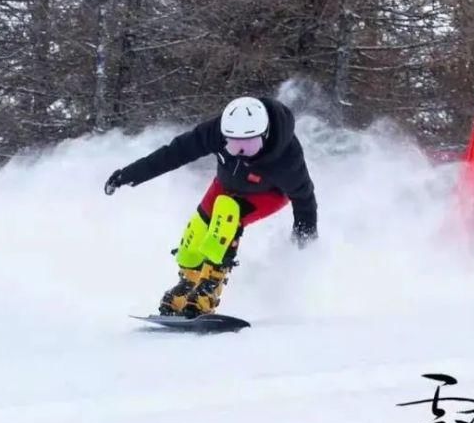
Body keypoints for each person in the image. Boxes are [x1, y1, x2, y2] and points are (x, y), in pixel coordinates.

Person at [104, 96, 318, 317]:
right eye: (234, 145)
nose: (241, 152)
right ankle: (188, 286)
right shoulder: (216, 132)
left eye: (249, 145)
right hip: (226, 185)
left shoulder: (287, 157)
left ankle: (208, 289)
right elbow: (174, 154)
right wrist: (128, 175)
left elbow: (304, 199)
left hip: (267, 194)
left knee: (227, 213)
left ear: (265, 135)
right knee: (195, 231)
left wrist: (304, 244)